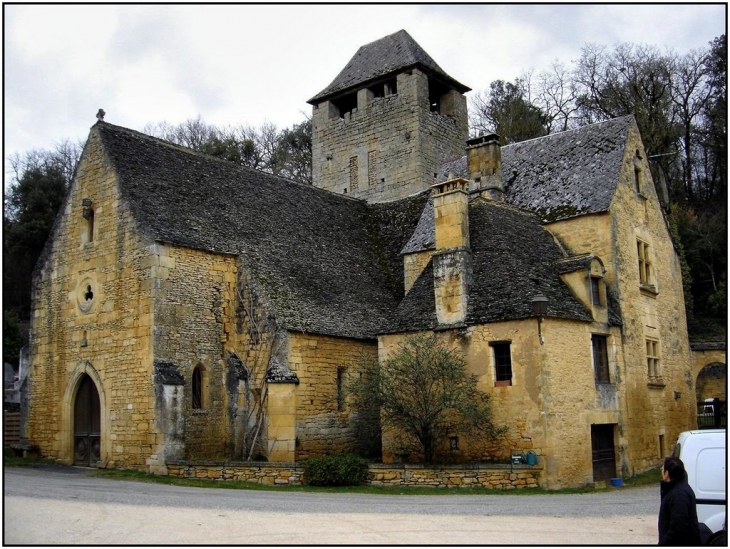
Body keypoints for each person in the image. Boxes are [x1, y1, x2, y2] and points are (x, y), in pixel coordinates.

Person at [658, 455, 701, 545]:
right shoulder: (676, 489)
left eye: (662, 469)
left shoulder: (679, 494)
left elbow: (678, 527)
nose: (661, 471)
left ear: (667, 473)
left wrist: (663, 543)